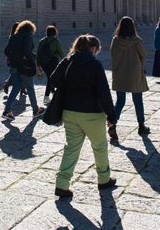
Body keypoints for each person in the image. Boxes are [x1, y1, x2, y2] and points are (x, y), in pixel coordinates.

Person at [50, 34, 117, 199]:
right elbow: (104, 92)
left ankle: (62, 184)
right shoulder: (95, 65)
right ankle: (103, 179)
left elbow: (53, 80)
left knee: (71, 149)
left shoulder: (68, 62)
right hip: (92, 114)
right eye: (97, 49)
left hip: (70, 112)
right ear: (93, 48)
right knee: (99, 147)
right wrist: (111, 115)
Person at [109, 16, 150, 139]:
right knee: (138, 100)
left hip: (120, 73)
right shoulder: (136, 41)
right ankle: (141, 126)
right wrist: (140, 66)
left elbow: (112, 55)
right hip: (134, 73)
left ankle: (112, 125)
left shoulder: (115, 40)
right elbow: (143, 55)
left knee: (120, 101)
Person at [2, 20, 45, 121]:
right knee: (30, 87)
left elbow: (6, 51)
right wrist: (33, 60)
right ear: (31, 29)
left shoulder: (14, 36)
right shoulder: (27, 36)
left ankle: (7, 111)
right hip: (23, 67)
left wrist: (14, 57)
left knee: (16, 87)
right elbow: (26, 51)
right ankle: (35, 110)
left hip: (13, 66)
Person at [36, 25, 65, 106]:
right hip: (52, 62)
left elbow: (38, 54)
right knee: (51, 78)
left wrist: (38, 65)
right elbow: (61, 53)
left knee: (50, 77)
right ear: (55, 32)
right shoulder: (56, 41)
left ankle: (53, 92)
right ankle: (46, 96)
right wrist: (66, 61)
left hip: (43, 63)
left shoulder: (42, 41)